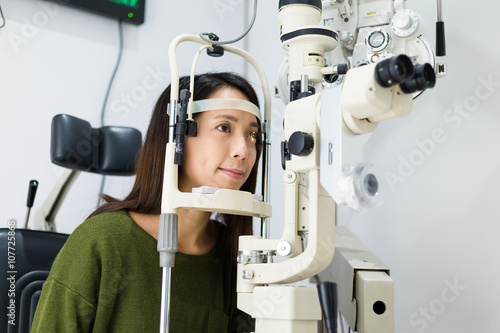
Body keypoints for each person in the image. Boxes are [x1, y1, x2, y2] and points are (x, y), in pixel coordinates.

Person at [31, 72, 262, 332]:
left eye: (252, 135)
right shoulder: (102, 241)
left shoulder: (234, 255)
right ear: (177, 137)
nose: (243, 151)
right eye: (224, 127)